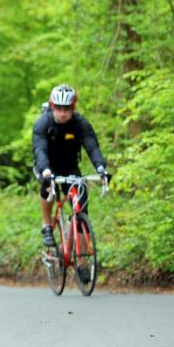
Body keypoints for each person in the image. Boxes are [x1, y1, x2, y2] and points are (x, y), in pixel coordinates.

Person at [33, 84, 110, 248]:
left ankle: (82, 264)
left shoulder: (80, 123)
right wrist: (45, 171)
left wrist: (101, 169)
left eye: (67, 109)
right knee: (48, 189)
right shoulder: (43, 123)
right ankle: (47, 225)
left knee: (81, 208)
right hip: (47, 166)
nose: (62, 113)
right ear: (52, 106)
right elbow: (39, 149)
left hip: (69, 167)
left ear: (73, 108)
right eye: (59, 108)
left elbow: (92, 147)